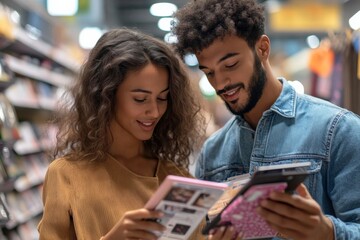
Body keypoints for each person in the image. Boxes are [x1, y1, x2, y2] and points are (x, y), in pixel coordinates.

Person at [172, 0, 360, 239]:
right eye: (209, 72)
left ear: (262, 49)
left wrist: (327, 232)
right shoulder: (213, 153)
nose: (220, 83)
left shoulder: (338, 130)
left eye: (230, 64)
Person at [37, 28, 241, 240]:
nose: (154, 112)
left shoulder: (178, 180)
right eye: (140, 99)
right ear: (106, 96)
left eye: (162, 98)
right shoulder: (66, 175)